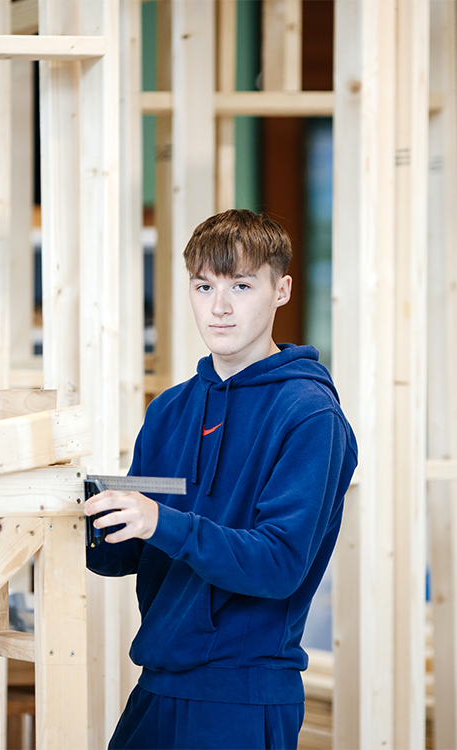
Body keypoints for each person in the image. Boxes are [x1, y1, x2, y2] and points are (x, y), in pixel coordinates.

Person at [85, 209, 358, 750]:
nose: (220, 306)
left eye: (241, 285)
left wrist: (160, 519)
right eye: (204, 286)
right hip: (157, 688)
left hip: (242, 696)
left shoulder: (308, 415)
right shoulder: (169, 410)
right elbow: (124, 556)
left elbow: (279, 563)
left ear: (281, 290)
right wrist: (81, 516)